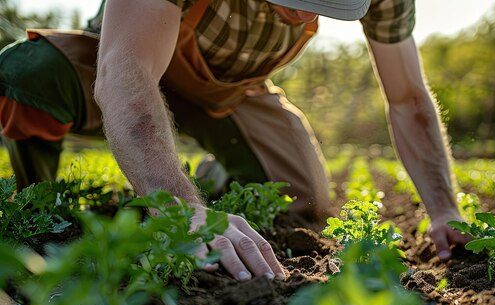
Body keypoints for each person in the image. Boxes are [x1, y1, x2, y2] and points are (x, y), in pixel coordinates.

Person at [0, 0, 469, 281]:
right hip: (127, 63)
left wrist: (445, 208)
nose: (305, 14)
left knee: (303, 194)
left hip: (228, 93)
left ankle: (213, 180)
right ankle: (40, 206)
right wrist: (183, 212)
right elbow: (128, 69)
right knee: (28, 76)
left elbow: (407, 98)